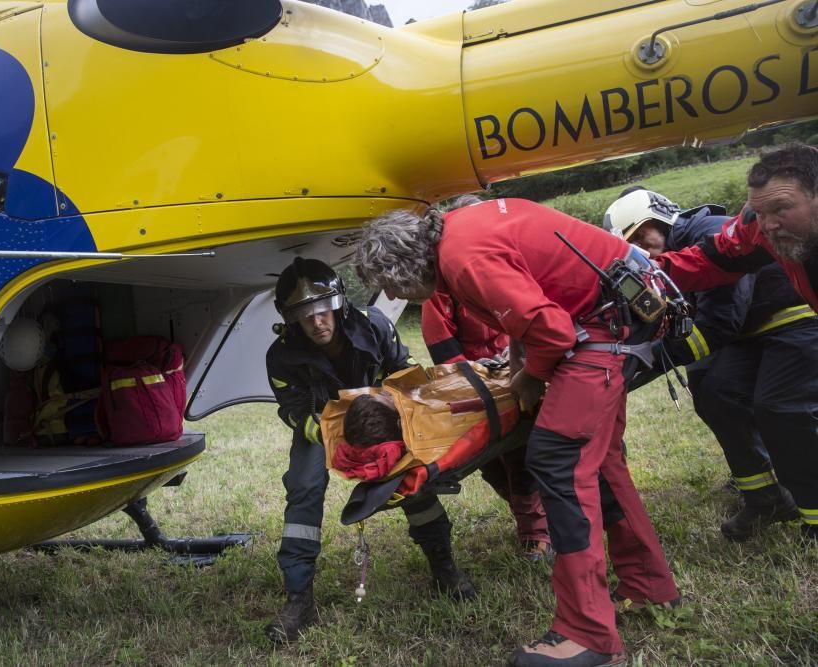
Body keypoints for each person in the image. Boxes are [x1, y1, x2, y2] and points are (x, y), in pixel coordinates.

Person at [354, 200, 680, 667]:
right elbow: (532, 305)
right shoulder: (464, 231)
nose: (395, 293)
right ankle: (650, 588)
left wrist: (530, 376)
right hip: (622, 311)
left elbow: (553, 332)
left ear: (400, 268)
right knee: (601, 458)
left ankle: (589, 636)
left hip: (603, 324)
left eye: (388, 284)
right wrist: (518, 365)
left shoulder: (462, 259)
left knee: (557, 459)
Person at [263, 257, 474, 644]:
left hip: (383, 420)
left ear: (339, 303)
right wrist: (335, 437)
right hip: (322, 429)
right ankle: (299, 599)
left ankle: (444, 569)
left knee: (412, 478)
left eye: (323, 310)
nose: (317, 322)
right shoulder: (280, 357)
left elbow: (406, 373)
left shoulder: (374, 325)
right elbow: (294, 412)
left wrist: (393, 417)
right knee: (304, 486)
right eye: (304, 315)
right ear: (290, 319)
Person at [606, 186, 818, 541]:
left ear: (664, 218)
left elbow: (720, 320)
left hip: (794, 320)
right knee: (714, 393)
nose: (646, 245)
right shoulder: (672, 252)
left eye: (645, 232)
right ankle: (766, 497)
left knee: (781, 407)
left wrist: (650, 359)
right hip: (751, 335)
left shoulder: (711, 233)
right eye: (636, 241)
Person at [656, 143, 818, 544]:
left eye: (781, 208)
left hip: (797, 325)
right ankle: (779, 502)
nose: (769, 225)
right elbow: (716, 258)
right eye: (760, 213)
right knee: (725, 392)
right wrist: (649, 269)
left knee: (782, 405)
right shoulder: (755, 225)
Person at [423, 200, 551, 562]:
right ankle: (533, 515)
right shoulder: (443, 285)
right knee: (491, 461)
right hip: (477, 382)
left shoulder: (508, 260)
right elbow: (442, 346)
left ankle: (536, 531)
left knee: (521, 453)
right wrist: (484, 383)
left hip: (519, 371)